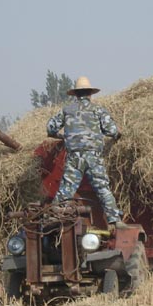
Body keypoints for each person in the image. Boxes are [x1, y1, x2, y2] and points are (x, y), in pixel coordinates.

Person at [46, 76, 124, 225]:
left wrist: (60, 136)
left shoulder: (67, 110)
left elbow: (50, 128)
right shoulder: (98, 110)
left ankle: (55, 217)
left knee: (66, 189)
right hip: (93, 157)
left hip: (74, 158)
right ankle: (115, 220)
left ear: (76, 94)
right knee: (102, 188)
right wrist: (117, 135)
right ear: (90, 94)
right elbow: (112, 130)